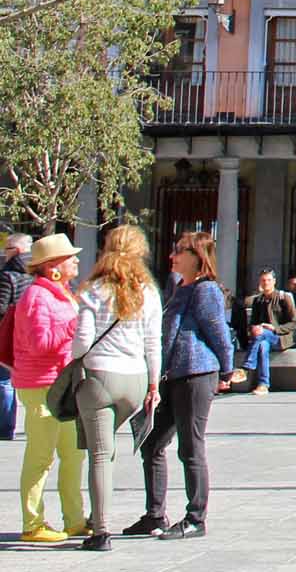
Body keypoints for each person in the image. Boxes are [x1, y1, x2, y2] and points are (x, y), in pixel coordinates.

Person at [126, 231, 233, 541]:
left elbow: (218, 333)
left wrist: (227, 371)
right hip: (173, 376)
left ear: (197, 257)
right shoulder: (179, 287)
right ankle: (155, 514)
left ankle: (196, 517)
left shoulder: (206, 290)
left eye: (179, 251)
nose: (172, 256)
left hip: (196, 374)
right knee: (152, 442)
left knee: (191, 446)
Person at [71, 225, 163, 550]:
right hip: (135, 380)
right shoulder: (149, 292)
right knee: (108, 446)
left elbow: (82, 340)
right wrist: (154, 383)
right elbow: (154, 342)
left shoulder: (94, 289)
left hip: (101, 376)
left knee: (100, 454)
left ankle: (101, 530)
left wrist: (73, 359)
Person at [8, 234, 86, 544]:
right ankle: (33, 523)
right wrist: (72, 328)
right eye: (70, 257)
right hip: (41, 386)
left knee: (73, 454)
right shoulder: (36, 297)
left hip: (62, 384)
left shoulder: (61, 293)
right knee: (41, 457)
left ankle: (75, 519)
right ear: (53, 266)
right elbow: (40, 345)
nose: (76, 260)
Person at [234, 270, 296, 395]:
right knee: (263, 346)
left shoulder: (284, 297)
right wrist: (254, 328)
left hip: (280, 337)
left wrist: (274, 328)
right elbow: (253, 322)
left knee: (262, 333)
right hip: (262, 337)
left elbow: (293, 323)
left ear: (274, 281)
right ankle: (263, 384)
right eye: (263, 280)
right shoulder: (258, 300)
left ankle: (246, 368)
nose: (266, 283)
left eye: (268, 280)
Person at [0, 233, 31, 442]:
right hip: (26, 334)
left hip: (6, 333)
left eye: (7, 248)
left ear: (17, 250)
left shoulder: (7, 275)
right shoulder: (35, 274)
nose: (4, 252)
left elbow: (1, 307)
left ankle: (4, 427)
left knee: (4, 381)